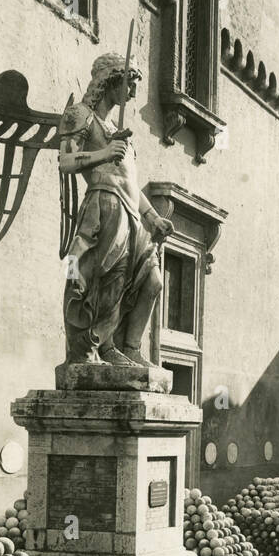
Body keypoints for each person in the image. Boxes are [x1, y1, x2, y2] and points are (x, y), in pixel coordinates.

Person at [58, 53, 174, 368]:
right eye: (131, 83)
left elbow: (130, 182)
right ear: (111, 81)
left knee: (153, 281)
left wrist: (153, 217)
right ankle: (101, 348)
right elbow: (66, 161)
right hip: (103, 206)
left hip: (132, 213)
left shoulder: (116, 128)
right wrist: (105, 153)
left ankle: (132, 347)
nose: (134, 93)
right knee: (108, 281)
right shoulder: (79, 115)